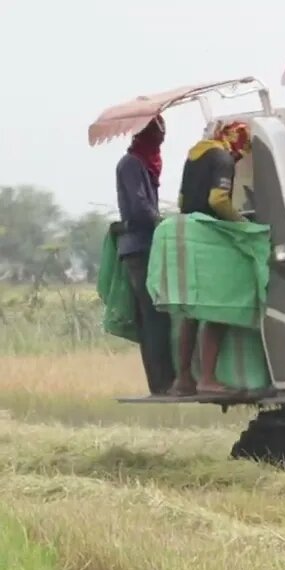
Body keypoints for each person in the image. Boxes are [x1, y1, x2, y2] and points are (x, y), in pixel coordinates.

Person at [167, 120, 251, 396]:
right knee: (218, 308)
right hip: (211, 237)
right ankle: (207, 378)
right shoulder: (222, 157)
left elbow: (181, 200)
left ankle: (183, 379)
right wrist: (240, 224)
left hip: (189, 231)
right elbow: (218, 199)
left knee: (192, 311)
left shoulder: (195, 154)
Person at [114, 116, 175, 396]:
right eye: (157, 132)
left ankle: (164, 381)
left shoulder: (146, 163)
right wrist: (164, 224)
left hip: (147, 244)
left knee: (156, 315)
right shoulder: (131, 164)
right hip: (140, 247)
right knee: (153, 316)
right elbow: (140, 208)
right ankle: (162, 383)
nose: (161, 137)